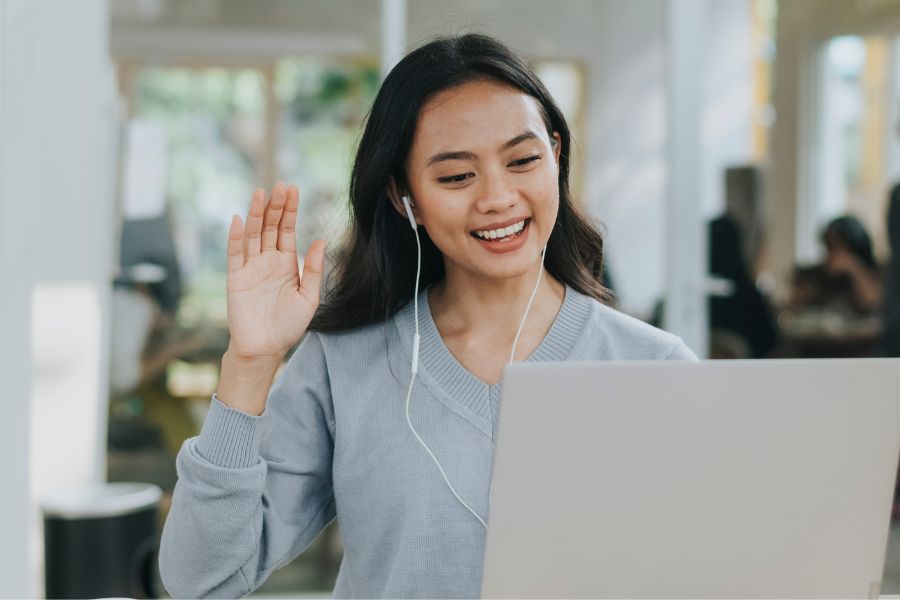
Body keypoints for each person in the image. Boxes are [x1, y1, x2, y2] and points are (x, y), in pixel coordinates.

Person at [159, 33, 696, 599]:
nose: (498, 197)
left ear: (555, 155)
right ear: (401, 195)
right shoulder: (343, 364)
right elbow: (202, 579)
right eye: (456, 176)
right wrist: (250, 364)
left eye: (522, 160)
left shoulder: (655, 366)